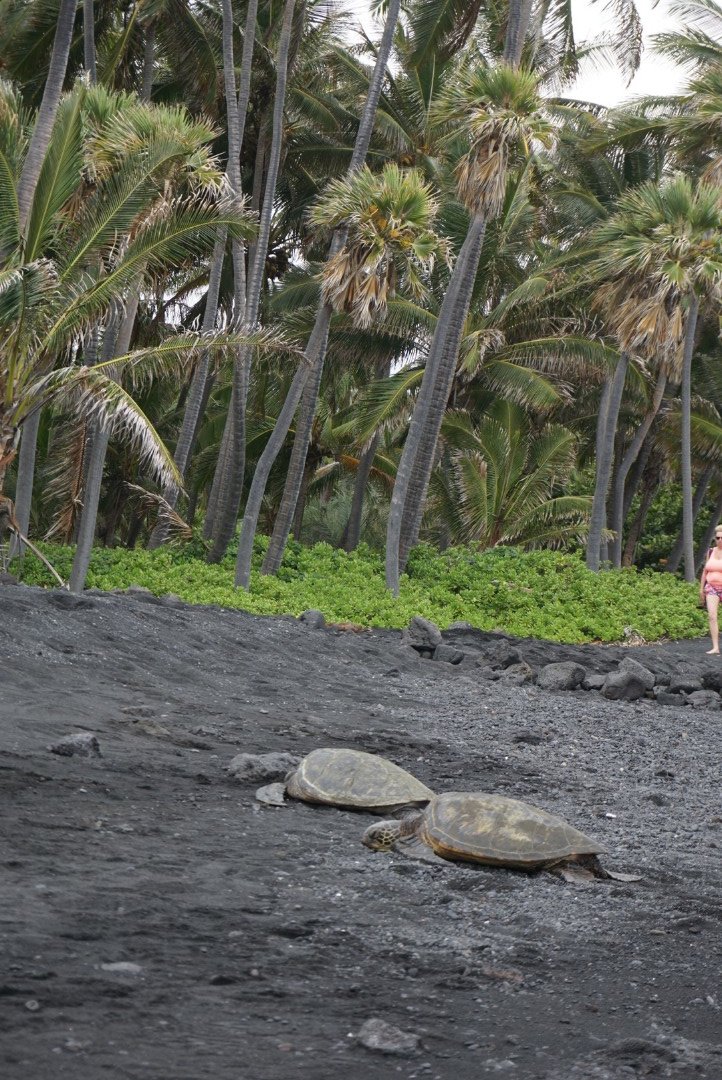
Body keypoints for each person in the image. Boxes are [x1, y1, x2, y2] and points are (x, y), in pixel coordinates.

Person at [699, 524, 722, 654]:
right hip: (712, 587)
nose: (719, 540)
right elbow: (705, 571)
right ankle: (715, 647)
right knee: (712, 616)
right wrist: (701, 589)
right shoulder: (710, 552)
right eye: (717, 538)